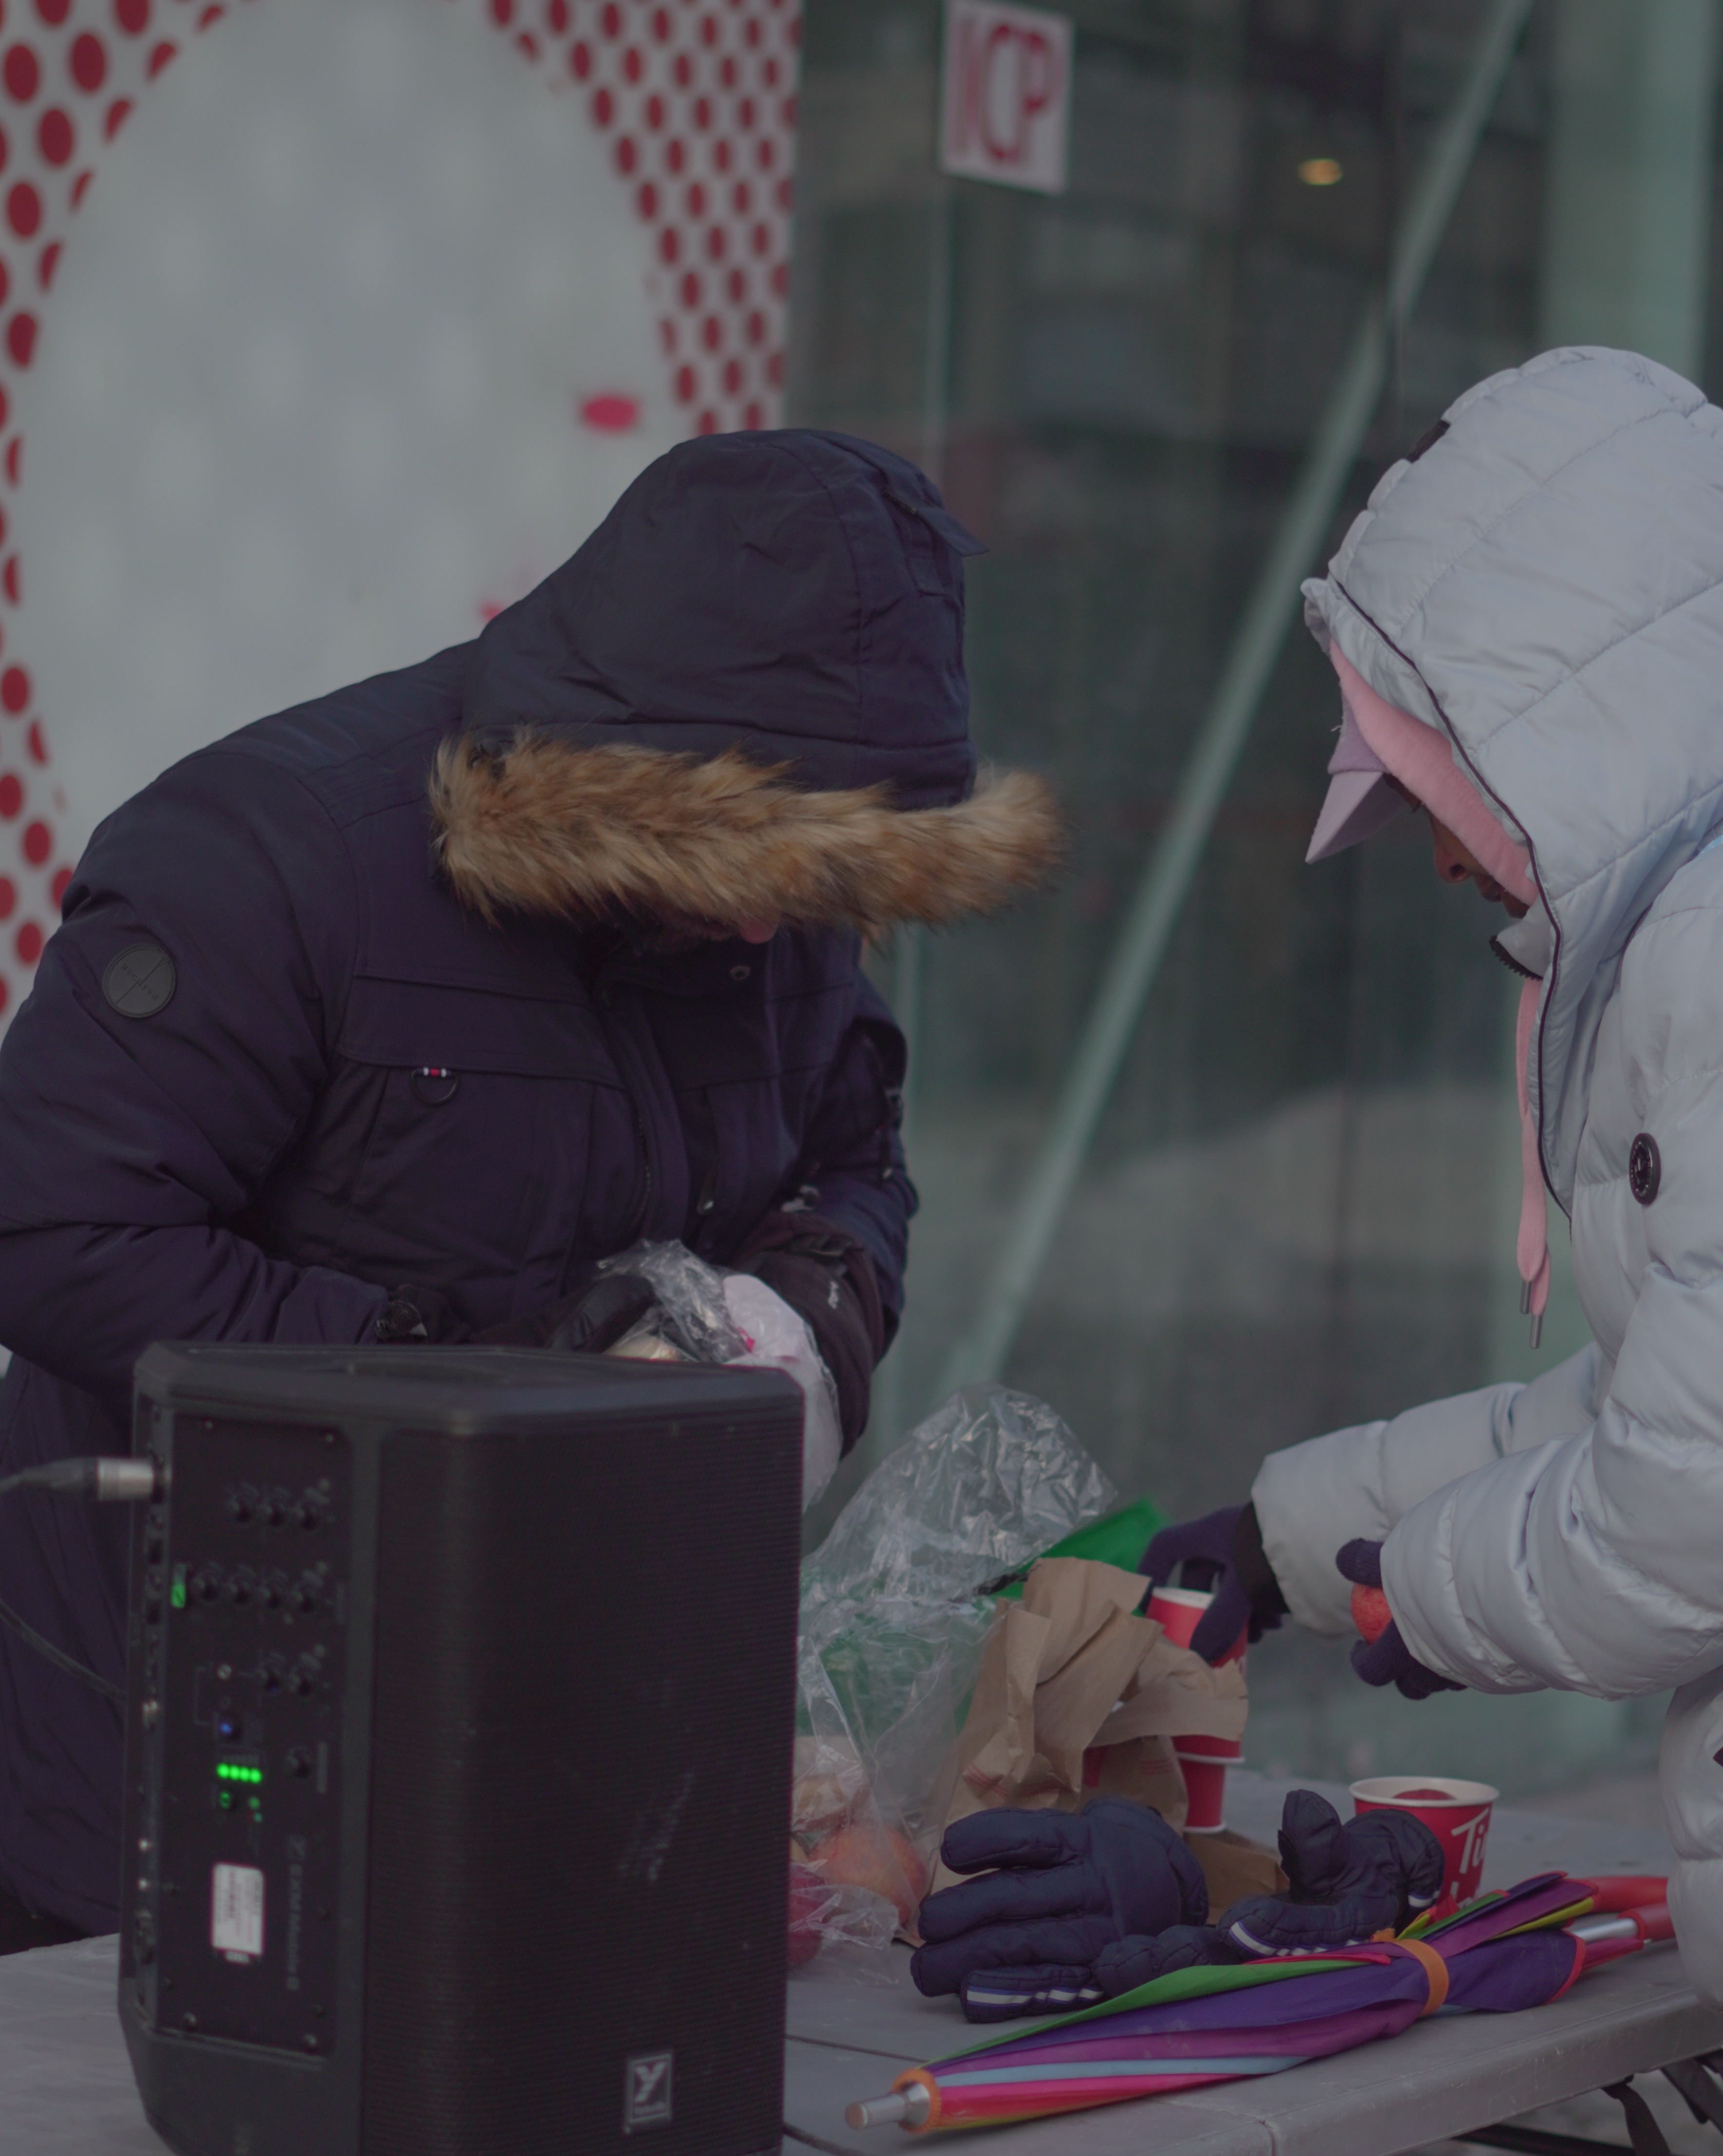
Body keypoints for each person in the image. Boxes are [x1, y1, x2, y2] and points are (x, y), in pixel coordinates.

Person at [953, 344, 1723, 2156]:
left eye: (1426, 771)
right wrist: (1293, 1537)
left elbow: (1702, 1513)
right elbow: (1687, 1397)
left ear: (1561, 719)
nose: (1422, 845)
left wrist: (1424, 1600)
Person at [0, 427, 1062, 1959]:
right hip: (181, 1739)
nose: (772, 931)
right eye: (746, 858)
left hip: (552, 1733)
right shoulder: (271, 856)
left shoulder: (789, 896)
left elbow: (857, 1159)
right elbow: (54, 1232)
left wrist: (808, 1325)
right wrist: (474, 1389)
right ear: (642, 773)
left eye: (825, 870)